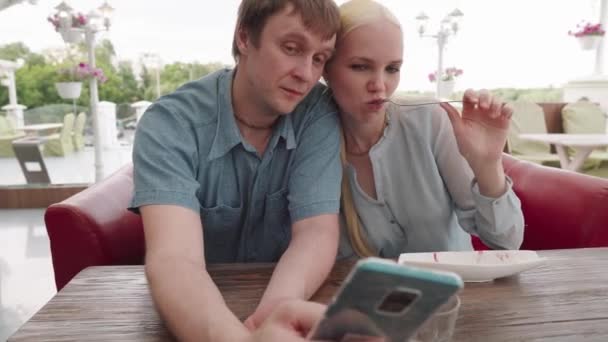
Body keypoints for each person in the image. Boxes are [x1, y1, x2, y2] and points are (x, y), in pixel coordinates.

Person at [129, 1, 343, 341]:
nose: (306, 73)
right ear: (244, 37)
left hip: (283, 296)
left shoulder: (316, 111)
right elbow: (175, 259)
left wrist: (274, 315)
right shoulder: (170, 123)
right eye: (291, 48)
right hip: (195, 309)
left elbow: (316, 231)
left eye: (319, 58)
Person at [324, 0, 525, 258]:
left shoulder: (430, 120)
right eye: (360, 67)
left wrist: (487, 166)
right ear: (325, 68)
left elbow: (507, 242)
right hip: (364, 296)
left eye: (392, 69)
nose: (380, 85)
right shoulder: (312, 141)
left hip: (456, 292)